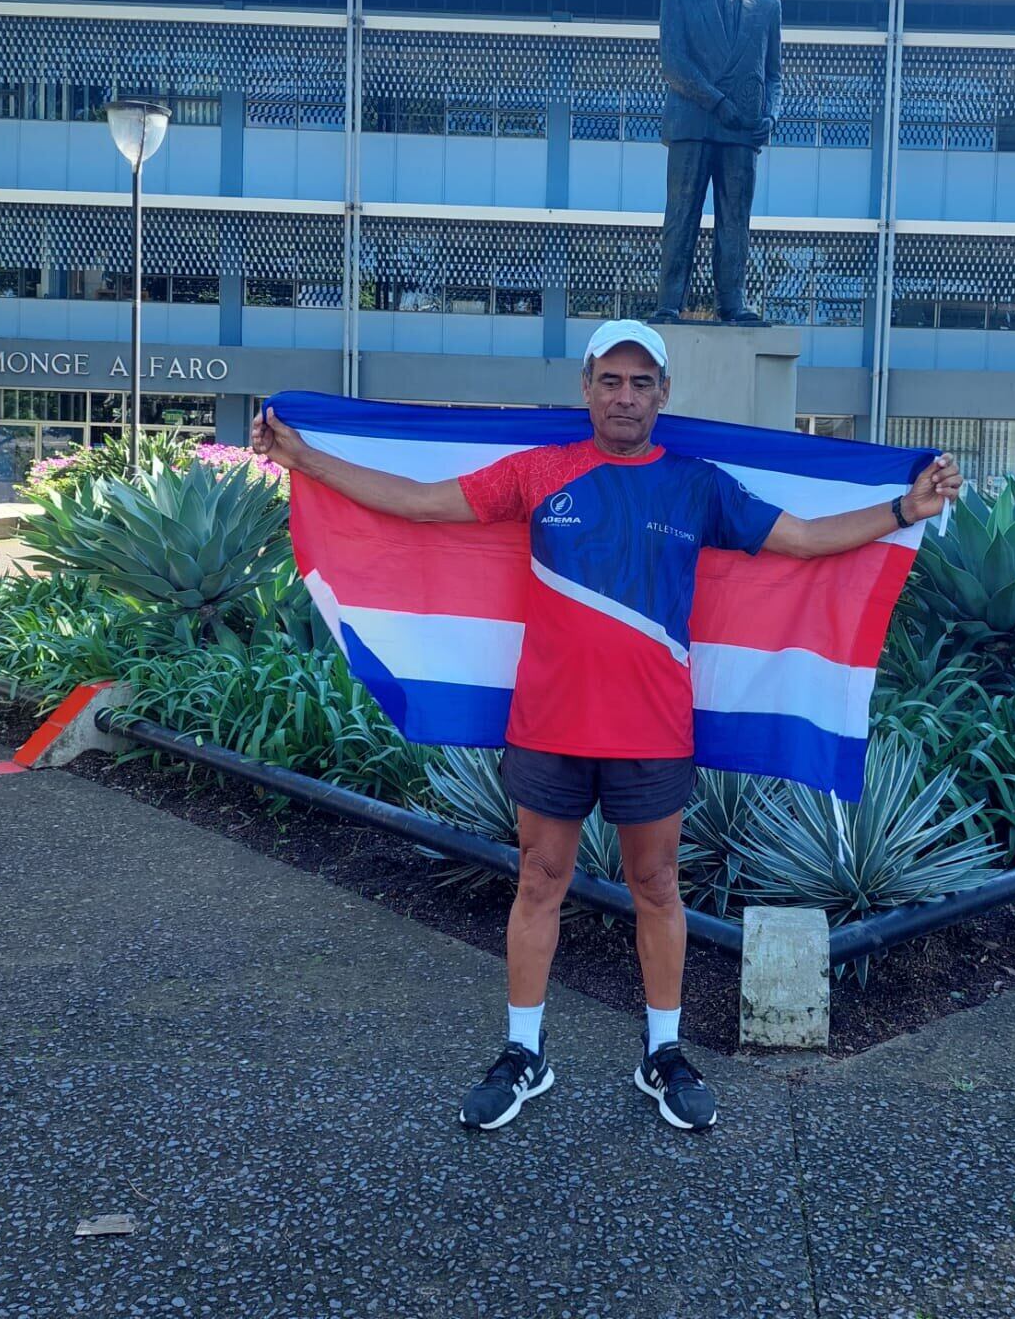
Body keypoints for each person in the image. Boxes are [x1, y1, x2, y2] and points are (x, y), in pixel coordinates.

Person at [251, 319, 960, 1132]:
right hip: (547, 726)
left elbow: (800, 541)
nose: (626, 397)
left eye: (641, 383)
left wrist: (905, 507)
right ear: (586, 388)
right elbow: (416, 504)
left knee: (656, 888)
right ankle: (524, 1053)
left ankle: (664, 1053)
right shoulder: (540, 471)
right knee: (539, 881)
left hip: (653, 731)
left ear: (663, 394)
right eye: (611, 381)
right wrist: (303, 459)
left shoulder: (697, 484)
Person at [652, 0, 782, 324]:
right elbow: (674, 64)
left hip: (743, 130)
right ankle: (669, 303)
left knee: (736, 220)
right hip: (693, 123)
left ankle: (732, 303)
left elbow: (775, 75)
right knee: (682, 215)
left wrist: (771, 116)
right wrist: (717, 102)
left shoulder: (767, 6)